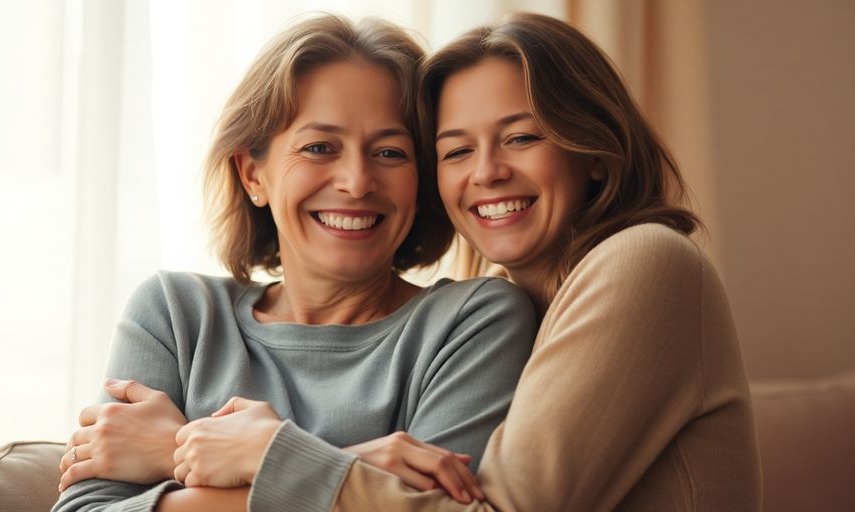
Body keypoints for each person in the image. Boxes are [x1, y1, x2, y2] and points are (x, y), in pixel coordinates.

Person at [224, 12, 762, 511]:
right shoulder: (518, 304)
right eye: (456, 151)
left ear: (595, 153)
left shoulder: (645, 260)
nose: (486, 173)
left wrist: (272, 455)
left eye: (521, 138)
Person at [52, 14, 536, 512]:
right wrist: (355, 468)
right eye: (319, 147)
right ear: (252, 174)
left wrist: (178, 450)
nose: (356, 181)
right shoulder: (176, 315)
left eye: (390, 152)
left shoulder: (475, 321)